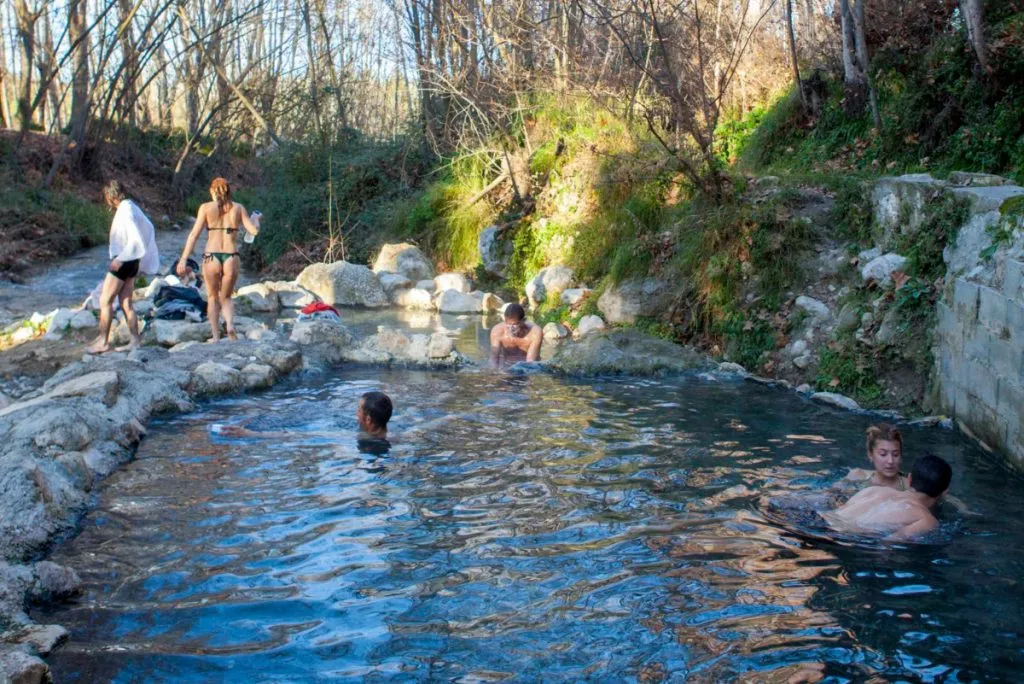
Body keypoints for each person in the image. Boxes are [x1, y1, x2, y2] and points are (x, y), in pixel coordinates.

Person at [176, 178, 260, 342]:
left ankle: (215, 337)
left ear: (212, 191)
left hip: (211, 257)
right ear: (228, 191)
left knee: (213, 297)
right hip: (231, 257)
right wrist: (256, 219)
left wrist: (183, 259)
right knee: (226, 297)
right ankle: (230, 326)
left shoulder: (205, 208)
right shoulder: (238, 208)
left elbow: (193, 235)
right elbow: (254, 232)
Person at [87, 180, 160, 354]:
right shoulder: (132, 206)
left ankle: (103, 342)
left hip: (124, 261)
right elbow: (148, 227)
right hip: (133, 262)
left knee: (105, 301)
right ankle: (135, 341)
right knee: (126, 302)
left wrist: (121, 258)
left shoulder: (125, 211)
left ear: (111, 196)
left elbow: (135, 238)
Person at [214, 391, 393, 455]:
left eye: (359, 410)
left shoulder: (352, 436)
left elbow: (298, 436)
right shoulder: (397, 437)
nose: (356, 413)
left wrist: (250, 434)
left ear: (368, 419)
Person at [822, 453, 952, 540]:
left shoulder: (875, 490)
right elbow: (889, 543)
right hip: (836, 538)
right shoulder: (926, 520)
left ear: (909, 479)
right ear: (945, 491)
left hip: (820, 519)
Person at [839, 424, 906, 491]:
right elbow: (831, 496)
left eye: (895, 454)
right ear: (870, 454)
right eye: (883, 454)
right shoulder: (857, 477)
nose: (890, 461)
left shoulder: (909, 485)